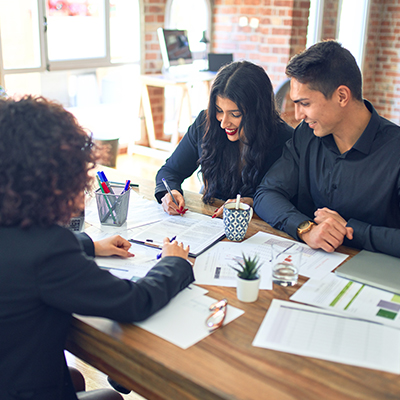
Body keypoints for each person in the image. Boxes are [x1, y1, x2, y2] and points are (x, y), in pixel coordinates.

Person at [0, 96, 194, 400]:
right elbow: (135, 302)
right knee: (112, 397)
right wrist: (173, 263)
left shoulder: (17, 228)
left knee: (75, 377)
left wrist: (88, 245)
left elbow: (22, 256)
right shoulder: (49, 249)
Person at [253, 40, 400, 258]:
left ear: (342, 96)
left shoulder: (395, 151)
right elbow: (266, 193)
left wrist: (350, 230)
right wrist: (306, 229)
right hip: (310, 267)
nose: (297, 115)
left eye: (305, 103)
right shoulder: (306, 134)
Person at [155, 60, 293, 217]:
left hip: (260, 228)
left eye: (235, 114)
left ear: (258, 112)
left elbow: (292, 202)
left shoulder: (286, 140)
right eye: (219, 110)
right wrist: (170, 192)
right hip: (211, 223)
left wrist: (255, 204)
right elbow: (170, 171)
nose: (223, 123)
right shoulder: (205, 123)